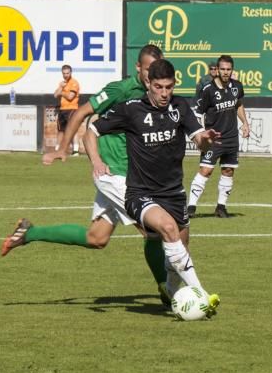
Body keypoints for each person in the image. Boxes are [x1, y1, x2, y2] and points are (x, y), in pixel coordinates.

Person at [12, 45, 171, 307]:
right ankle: (169, 290)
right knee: (153, 229)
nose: (153, 75)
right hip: (114, 174)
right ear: (138, 67)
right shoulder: (120, 90)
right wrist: (63, 149)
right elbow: (82, 112)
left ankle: (29, 232)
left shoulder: (156, 93)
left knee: (96, 238)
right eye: (148, 70)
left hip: (131, 174)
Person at [84, 57, 221, 309]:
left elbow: (199, 140)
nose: (164, 93)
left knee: (180, 247)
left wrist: (206, 139)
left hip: (174, 193)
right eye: (159, 87)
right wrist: (96, 161)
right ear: (148, 84)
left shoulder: (180, 106)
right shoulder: (131, 109)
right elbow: (91, 131)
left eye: (169, 87)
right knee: (168, 228)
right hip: (140, 194)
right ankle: (201, 295)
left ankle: (170, 291)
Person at [187, 54, 250, 219]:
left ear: (232, 70)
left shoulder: (237, 86)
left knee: (228, 170)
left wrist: (245, 122)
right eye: (222, 69)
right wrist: (201, 135)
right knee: (206, 170)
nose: (225, 72)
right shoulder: (208, 90)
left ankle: (221, 207)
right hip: (213, 139)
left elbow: (238, 104)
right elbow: (198, 113)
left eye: (228, 69)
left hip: (231, 138)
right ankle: (191, 207)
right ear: (217, 70)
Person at [54, 64, 80, 155]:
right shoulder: (62, 83)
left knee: (73, 129)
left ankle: (75, 150)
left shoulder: (74, 83)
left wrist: (61, 92)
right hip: (62, 109)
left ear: (70, 72)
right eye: (64, 73)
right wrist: (61, 87)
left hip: (72, 109)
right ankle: (57, 149)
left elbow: (70, 97)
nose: (65, 75)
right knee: (60, 130)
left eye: (67, 73)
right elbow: (55, 95)